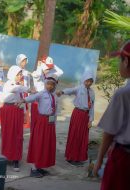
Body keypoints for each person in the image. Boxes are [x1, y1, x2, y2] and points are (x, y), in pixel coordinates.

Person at [93, 41, 130, 190]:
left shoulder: (123, 94)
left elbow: (109, 133)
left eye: (119, 61)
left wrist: (99, 161)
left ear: (126, 62)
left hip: (123, 160)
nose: (119, 65)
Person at [20, 74, 58, 178]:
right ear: (45, 84)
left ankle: (40, 166)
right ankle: (33, 168)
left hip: (50, 123)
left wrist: (54, 123)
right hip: (42, 122)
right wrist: (23, 100)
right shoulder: (41, 94)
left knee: (46, 144)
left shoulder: (55, 96)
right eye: (48, 84)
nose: (50, 86)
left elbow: (56, 111)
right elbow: (33, 97)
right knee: (38, 143)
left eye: (52, 84)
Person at [56, 71, 95, 166]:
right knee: (75, 135)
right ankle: (71, 157)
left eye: (90, 81)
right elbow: (70, 90)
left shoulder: (92, 92)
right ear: (84, 80)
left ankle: (79, 157)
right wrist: (62, 92)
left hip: (86, 116)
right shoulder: (79, 88)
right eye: (87, 81)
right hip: (78, 114)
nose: (89, 83)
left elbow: (92, 107)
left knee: (83, 137)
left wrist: (91, 120)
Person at [0, 65, 34, 172]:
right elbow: (15, 88)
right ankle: (6, 156)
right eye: (18, 74)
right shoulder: (9, 84)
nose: (20, 76)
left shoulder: (19, 85)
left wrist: (24, 114)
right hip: (9, 111)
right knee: (8, 134)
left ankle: (16, 159)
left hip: (18, 111)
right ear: (13, 74)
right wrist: (28, 89)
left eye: (21, 74)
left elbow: (22, 99)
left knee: (18, 135)